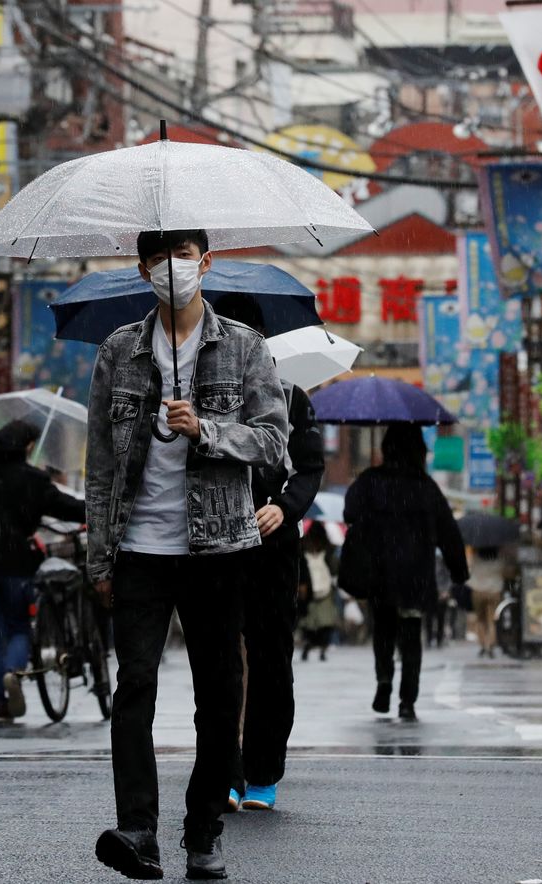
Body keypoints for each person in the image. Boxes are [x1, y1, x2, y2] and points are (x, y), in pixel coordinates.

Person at [88, 229, 288, 882]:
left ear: (205, 263)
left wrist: (207, 430)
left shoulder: (243, 346)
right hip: (138, 548)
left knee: (218, 694)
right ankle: (138, 831)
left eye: (184, 258)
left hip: (218, 547)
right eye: (158, 260)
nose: (172, 270)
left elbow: (273, 445)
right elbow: (97, 467)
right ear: (141, 269)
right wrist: (98, 560)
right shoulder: (119, 352)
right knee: (134, 686)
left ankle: (203, 831)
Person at [212, 293, 324, 815]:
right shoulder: (198, 393)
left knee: (271, 657)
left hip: (273, 545)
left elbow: (309, 467)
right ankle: (222, 770)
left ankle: (262, 771)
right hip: (213, 540)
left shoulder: (291, 394)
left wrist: (284, 507)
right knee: (217, 660)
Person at [343, 424, 468, 722]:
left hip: (380, 573)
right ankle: (407, 701)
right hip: (415, 576)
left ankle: (384, 679)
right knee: (412, 637)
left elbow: (349, 513)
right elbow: (449, 532)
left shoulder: (370, 481)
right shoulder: (426, 487)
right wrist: (459, 572)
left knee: (383, 630)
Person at [0, 421, 85, 722]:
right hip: (17, 565)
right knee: (19, 626)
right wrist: (95, 509)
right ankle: (13, 672)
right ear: (27, 446)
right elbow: (65, 507)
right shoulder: (32, 479)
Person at [298, 521, 339, 662]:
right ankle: (321, 647)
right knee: (325, 625)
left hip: (308, 592)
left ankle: (309, 645)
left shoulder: (302, 548)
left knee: (309, 625)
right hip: (325, 591)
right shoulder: (328, 549)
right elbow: (334, 568)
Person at [469, 546, 505, 658]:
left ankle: (483, 644)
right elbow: (503, 573)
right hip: (494, 591)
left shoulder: (475, 559)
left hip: (478, 591)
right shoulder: (499, 560)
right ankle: (490, 644)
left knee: (480, 619)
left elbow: (470, 572)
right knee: (492, 620)